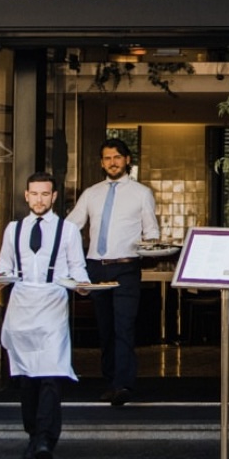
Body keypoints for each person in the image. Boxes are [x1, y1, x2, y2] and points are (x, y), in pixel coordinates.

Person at [0, 171, 90, 459]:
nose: (39, 199)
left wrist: (85, 286)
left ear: (54, 197)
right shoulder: (13, 229)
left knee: (50, 372)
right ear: (26, 195)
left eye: (45, 194)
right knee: (27, 377)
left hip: (52, 304)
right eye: (34, 194)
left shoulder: (68, 230)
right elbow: (4, 267)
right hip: (22, 305)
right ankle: (33, 433)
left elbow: (77, 266)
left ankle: (46, 439)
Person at [67, 138, 160, 407]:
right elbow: (72, 226)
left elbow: (151, 231)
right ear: (101, 162)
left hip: (126, 267)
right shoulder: (91, 193)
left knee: (124, 326)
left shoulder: (141, 192)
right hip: (96, 266)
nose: (112, 162)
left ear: (127, 160)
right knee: (105, 328)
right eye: (107, 158)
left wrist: (152, 247)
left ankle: (123, 385)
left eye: (117, 157)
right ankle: (111, 381)